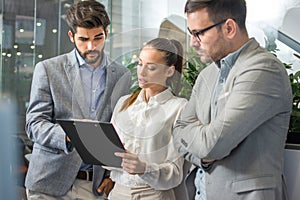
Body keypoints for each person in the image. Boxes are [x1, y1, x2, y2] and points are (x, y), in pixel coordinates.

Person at [173, 0, 293, 200]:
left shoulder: (263, 70)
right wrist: (204, 156)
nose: (193, 42)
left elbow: (211, 145)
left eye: (199, 33)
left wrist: (202, 139)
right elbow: (178, 132)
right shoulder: (208, 74)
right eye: (191, 33)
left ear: (229, 28)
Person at [25, 0, 131, 199]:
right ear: (71, 36)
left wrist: (112, 176)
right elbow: (34, 124)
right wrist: (70, 135)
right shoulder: (48, 69)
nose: (91, 46)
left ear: (106, 34)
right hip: (48, 181)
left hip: (94, 186)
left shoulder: (122, 76)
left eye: (98, 38)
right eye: (83, 39)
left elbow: (121, 128)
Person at [108, 38, 187, 200]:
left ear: (169, 71)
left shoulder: (179, 108)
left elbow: (176, 172)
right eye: (139, 64)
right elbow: (110, 156)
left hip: (154, 194)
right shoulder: (124, 103)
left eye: (151, 67)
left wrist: (144, 169)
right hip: (118, 192)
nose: (141, 72)